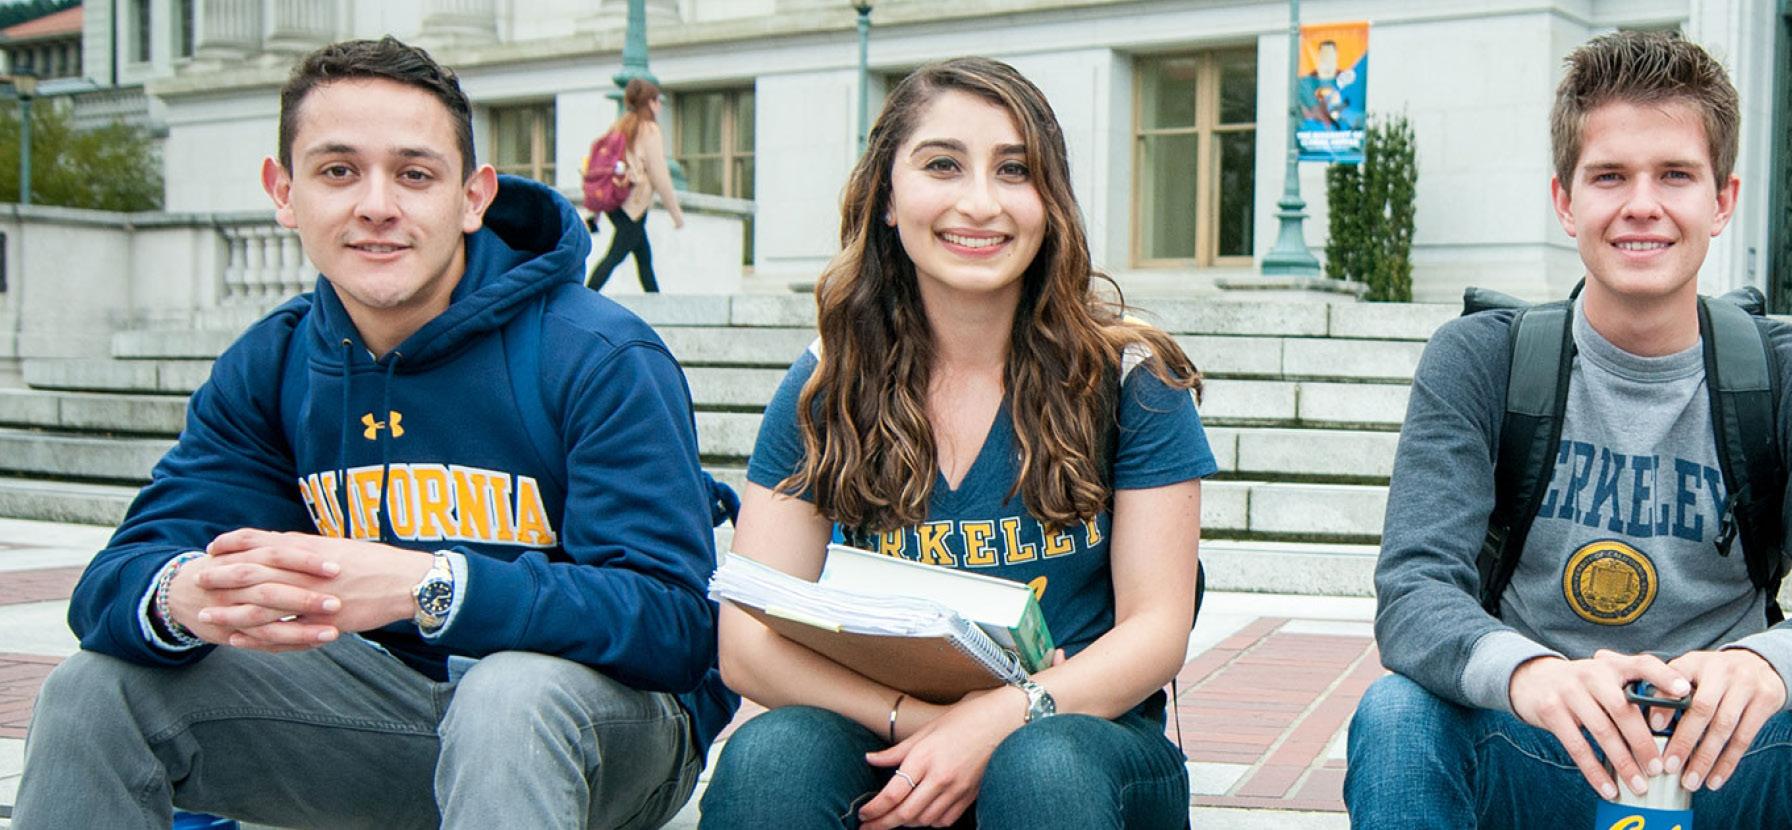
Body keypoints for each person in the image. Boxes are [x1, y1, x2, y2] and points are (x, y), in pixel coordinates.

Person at [12, 37, 735, 830]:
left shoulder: (597, 354)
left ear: (473, 197)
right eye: (338, 171)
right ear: (283, 192)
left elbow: (675, 625)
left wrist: (428, 586)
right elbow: (117, 578)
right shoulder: (276, 361)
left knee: (510, 695)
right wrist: (184, 596)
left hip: (603, 733)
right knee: (94, 690)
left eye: (415, 174)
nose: (377, 205)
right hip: (381, 720)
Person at [1343, 30, 1792, 828]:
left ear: (1722, 201)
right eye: (1610, 176)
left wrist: (1771, 664)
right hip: (1540, 741)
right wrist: (1528, 673)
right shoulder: (1480, 361)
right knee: (1397, 715)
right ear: (1565, 201)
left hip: (1728, 754)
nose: (1642, 205)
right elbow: (1414, 589)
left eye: (1675, 176)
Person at [698, 57, 1215, 830]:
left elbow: (1157, 630)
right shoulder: (826, 383)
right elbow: (746, 642)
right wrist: (916, 721)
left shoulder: (1132, 379)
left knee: (1043, 767)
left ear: (1050, 203)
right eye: (943, 164)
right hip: (889, 733)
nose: (980, 203)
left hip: (1083, 742)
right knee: (773, 757)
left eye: (1015, 171)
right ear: (886, 196)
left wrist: (1004, 716)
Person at [586, 78, 686, 293]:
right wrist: (676, 214)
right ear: (650, 103)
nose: (659, 106)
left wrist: (595, 214)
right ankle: (582, 298)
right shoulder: (649, 129)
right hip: (632, 204)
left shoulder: (619, 126)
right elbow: (660, 175)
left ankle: (658, 305)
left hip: (615, 201)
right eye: (657, 101)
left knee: (643, 257)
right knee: (616, 255)